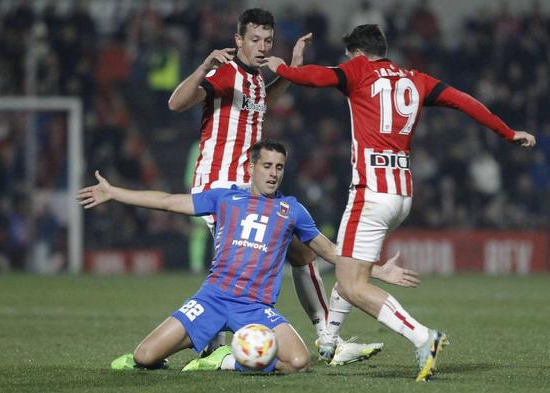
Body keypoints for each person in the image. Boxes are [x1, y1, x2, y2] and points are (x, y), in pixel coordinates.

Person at [264, 24, 536, 381]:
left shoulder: (358, 70)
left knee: (351, 284)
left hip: (371, 191)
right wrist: (507, 132)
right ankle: (329, 340)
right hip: (402, 194)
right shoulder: (415, 79)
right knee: (349, 264)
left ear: (358, 53)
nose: (347, 62)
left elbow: (316, 77)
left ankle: (423, 337)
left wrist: (283, 68)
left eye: (349, 56)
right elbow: (464, 100)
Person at [166, 8, 400, 365]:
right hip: (221, 186)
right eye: (255, 40)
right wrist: (203, 67)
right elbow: (176, 103)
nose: (262, 47)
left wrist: (288, 72)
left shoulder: (257, 79)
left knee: (302, 252)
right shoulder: (225, 73)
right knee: (244, 266)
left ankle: (324, 338)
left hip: (250, 190)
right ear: (238, 40)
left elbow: (262, 103)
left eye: (268, 41)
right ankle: (218, 348)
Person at [77, 139, 419, 373]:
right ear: (251, 167)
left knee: (298, 362)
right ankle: (195, 349)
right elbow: (167, 201)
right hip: (211, 298)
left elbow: (330, 252)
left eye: (279, 167)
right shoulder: (224, 198)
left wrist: (375, 271)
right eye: (267, 165)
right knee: (144, 357)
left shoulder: (292, 210)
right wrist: (114, 193)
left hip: (256, 309)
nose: (273, 173)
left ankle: (224, 359)